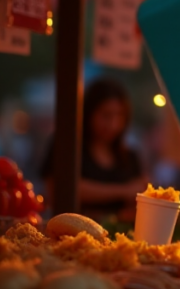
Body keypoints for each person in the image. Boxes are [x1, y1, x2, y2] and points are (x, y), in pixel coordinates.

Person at [43, 78, 147, 221]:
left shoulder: (129, 156)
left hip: (119, 238)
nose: (113, 124)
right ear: (88, 113)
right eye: (106, 115)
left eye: (119, 115)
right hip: (71, 234)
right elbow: (60, 188)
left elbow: (139, 194)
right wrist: (123, 191)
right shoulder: (66, 145)